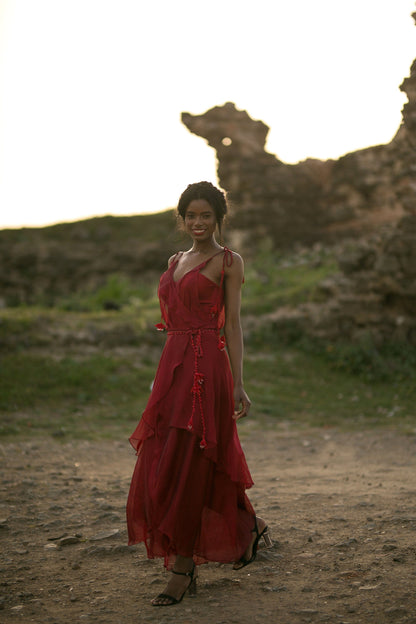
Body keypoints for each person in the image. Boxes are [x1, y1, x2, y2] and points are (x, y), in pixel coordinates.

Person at [126, 181, 271, 606]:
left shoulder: (229, 262)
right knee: (171, 455)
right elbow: (172, 323)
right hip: (173, 365)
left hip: (208, 367)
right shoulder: (176, 260)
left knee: (193, 456)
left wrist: (239, 381)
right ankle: (250, 526)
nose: (198, 223)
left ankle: (184, 568)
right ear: (182, 218)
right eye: (191, 215)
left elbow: (234, 326)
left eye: (206, 215)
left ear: (218, 218)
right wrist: (161, 378)